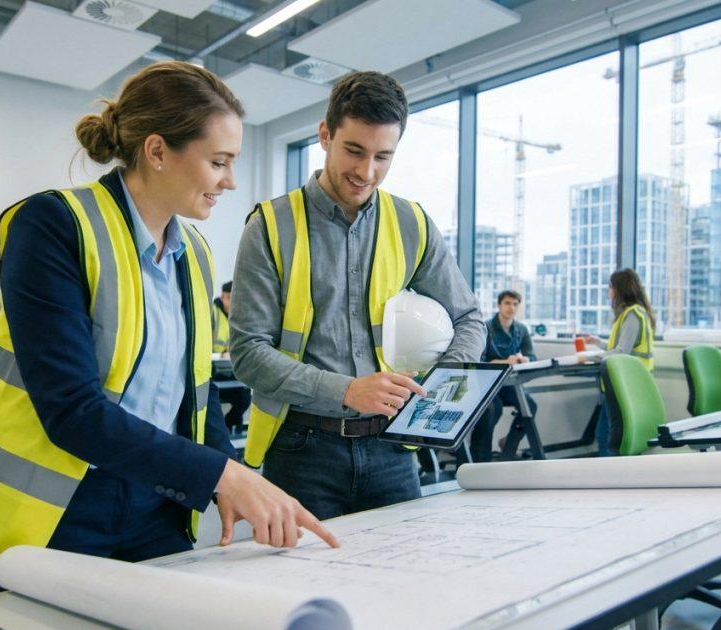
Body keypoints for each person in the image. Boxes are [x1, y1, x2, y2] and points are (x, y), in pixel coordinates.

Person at [0, 63, 338, 630]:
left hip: (154, 505)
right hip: (44, 516)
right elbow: (72, 410)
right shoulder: (53, 224)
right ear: (157, 151)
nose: (230, 181)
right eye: (219, 161)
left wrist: (233, 479)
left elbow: (193, 399)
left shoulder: (194, 254)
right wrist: (222, 476)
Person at [231, 71, 485, 520]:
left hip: (393, 449)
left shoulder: (413, 223)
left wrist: (435, 388)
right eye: (354, 151)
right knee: (301, 588)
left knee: (397, 586)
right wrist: (347, 390)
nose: (367, 172)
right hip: (301, 450)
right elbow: (249, 353)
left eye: (383, 156)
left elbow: (468, 319)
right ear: (326, 135)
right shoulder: (269, 226)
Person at [583, 268, 656, 457]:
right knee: (607, 434)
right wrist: (598, 342)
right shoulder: (635, 313)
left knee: (607, 436)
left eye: (610, 287)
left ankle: (607, 480)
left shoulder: (632, 314)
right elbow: (620, 346)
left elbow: (622, 352)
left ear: (619, 289)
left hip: (624, 384)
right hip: (631, 382)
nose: (609, 291)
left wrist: (588, 358)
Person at [468, 289, 538, 463]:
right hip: (487, 385)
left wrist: (524, 359)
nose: (511, 308)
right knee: (493, 409)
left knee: (529, 405)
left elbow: (533, 356)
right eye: (507, 303)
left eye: (515, 304)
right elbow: (480, 362)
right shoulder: (485, 327)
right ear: (499, 305)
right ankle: (480, 459)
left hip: (508, 384)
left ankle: (508, 447)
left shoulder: (521, 329)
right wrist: (505, 361)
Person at [212, 280, 250, 431]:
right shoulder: (212, 312)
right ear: (224, 297)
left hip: (229, 372)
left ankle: (230, 428)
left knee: (244, 397)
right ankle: (222, 433)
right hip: (211, 373)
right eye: (230, 298)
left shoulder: (238, 318)